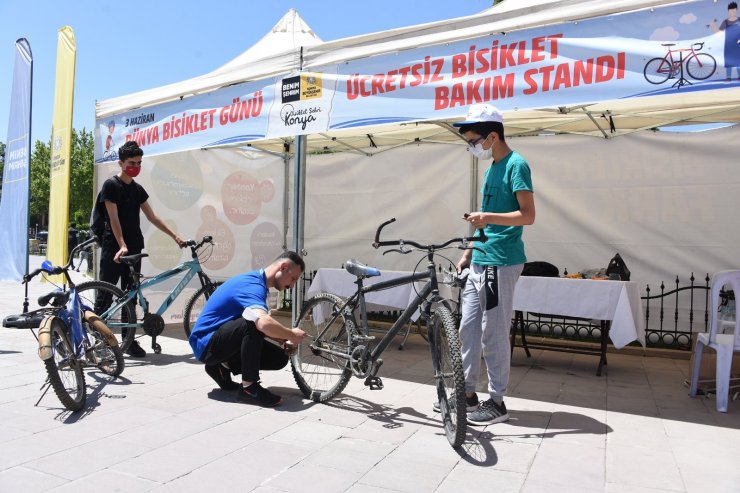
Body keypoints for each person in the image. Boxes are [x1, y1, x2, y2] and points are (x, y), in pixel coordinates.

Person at [448, 103, 535, 425]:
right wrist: (469, 250)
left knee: (493, 333)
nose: (472, 147)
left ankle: (497, 401)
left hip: (502, 261)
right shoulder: (491, 169)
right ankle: (467, 394)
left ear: (492, 136)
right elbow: (483, 220)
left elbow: (528, 215)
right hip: (480, 259)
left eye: (474, 141)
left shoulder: (517, 165)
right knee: (467, 329)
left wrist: (488, 217)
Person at [96, 140, 186, 357]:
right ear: (120, 163)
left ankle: (128, 340)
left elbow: (152, 217)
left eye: (138, 162)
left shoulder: (138, 189)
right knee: (105, 295)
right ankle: (98, 340)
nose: (135, 166)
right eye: (131, 162)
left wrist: (174, 235)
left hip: (135, 248)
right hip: (114, 249)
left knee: (131, 295)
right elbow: (113, 218)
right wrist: (121, 245)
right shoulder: (111, 186)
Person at [188, 251, 307, 407]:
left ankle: (220, 367)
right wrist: (291, 334)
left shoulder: (257, 282)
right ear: (283, 267)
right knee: (253, 322)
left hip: (217, 341)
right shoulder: (253, 286)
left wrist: (283, 338)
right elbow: (263, 324)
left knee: (279, 358)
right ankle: (249, 388)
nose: (291, 286)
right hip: (205, 343)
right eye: (293, 279)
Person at [709, 2, 740, 82]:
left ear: (736, 10)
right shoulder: (725, 22)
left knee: (738, 61)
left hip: (738, 44)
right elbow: (719, 33)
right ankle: (728, 77)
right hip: (728, 45)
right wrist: (713, 26)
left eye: (734, 10)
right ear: (728, 11)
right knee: (728, 62)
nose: (732, 12)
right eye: (730, 11)